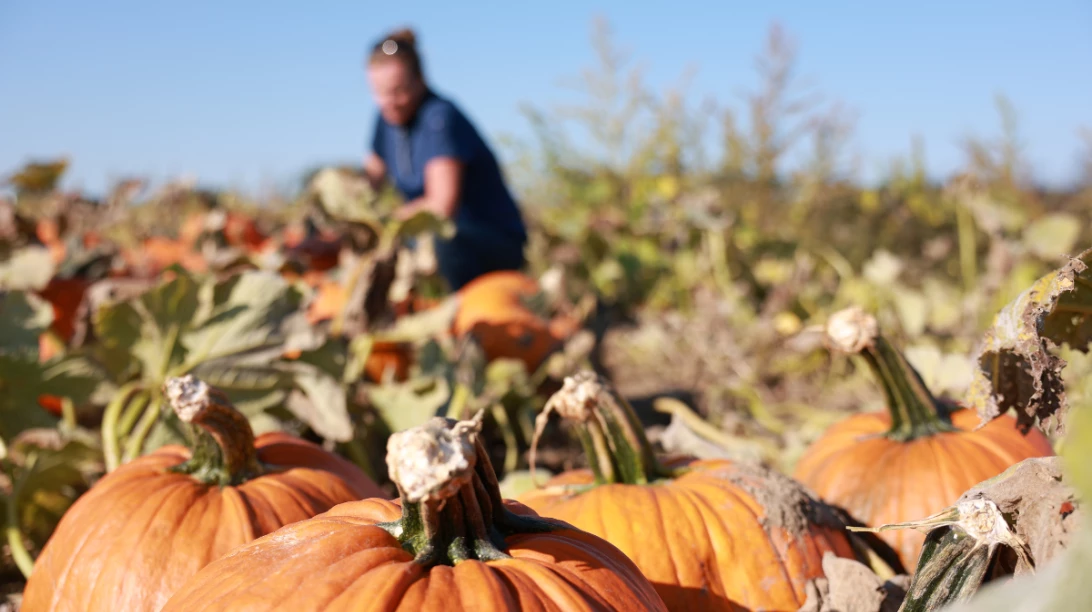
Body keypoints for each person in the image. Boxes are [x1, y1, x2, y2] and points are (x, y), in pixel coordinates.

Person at [361, 27, 528, 291]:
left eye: (398, 91)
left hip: (489, 243)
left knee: (439, 240)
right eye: (379, 92)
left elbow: (441, 208)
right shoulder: (386, 118)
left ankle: (463, 315)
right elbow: (368, 183)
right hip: (431, 238)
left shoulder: (439, 118)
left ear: (420, 80)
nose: (388, 101)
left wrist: (385, 223)